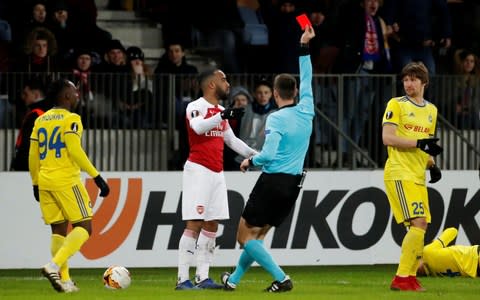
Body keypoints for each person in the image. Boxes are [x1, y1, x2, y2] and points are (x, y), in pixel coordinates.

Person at [221, 25, 316, 292]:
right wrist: (304, 47)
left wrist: (249, 161)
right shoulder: (307, 109)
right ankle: (233, 281)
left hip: (273, 181)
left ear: (275, 94)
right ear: (296, 92)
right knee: (258, 236)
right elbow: (308, 77)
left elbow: (269, 156)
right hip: (294, 184)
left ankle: (282, 278)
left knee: (243, 236)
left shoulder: (275, 118)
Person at [176, 68, 257, 290]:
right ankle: (182, 279)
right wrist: (222, 116)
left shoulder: (221, 110)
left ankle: (203, 277)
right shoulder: (195, 107)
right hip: (198, 170)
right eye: (223, 79)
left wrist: (257, 156)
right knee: (195, 222)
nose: (228, 83)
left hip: (216, 172)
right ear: (211, 84)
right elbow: (198, 128)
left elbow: (232, 141)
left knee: (212, 223)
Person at [28, 78, 110, 293]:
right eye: (74, 92)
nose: (77, 95)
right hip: (66, 180)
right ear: (65, 96)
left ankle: (65, 281)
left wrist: (35, 182)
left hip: (45, 180)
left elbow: (33, 155)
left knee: (58, 230)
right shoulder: (71, 119)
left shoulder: (41, 120)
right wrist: (96, 176)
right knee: (84, 227)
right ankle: (53, 266)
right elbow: (74, 150)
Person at [382, 61, 443, 292]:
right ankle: (402, 278)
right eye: (406, 80)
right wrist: (418, 142)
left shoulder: (431, 110)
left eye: (413, 79)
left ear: (424, 82)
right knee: (418, 222)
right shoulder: (396, 105)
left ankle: (409, 275)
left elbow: (425, 144)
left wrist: (432, 164)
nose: (408, 84)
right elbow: (387, 138)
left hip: (417, 174)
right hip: (399, 171)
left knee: (420, 225)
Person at [10, 76, 52, 171]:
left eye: (26, 94)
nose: (23, 97)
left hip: (29, 168)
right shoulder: (50, 112)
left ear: (36, 95)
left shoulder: (35, 114)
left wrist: (18, 165)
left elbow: (28, 144)